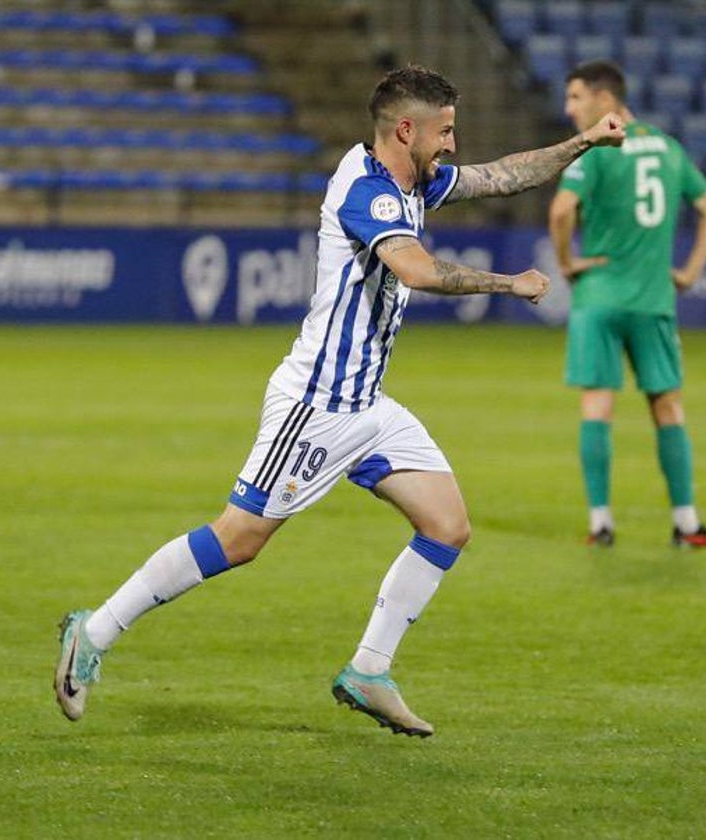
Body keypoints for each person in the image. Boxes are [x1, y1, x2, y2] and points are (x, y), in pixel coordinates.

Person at [54, 64, 625, 737]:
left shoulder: (416, 180)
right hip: (318, 403)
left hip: (368, 407)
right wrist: (511, 284)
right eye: (443, 130)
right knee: (238, 540)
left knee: (447, 526)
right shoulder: (366, 189)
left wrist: (584, 141)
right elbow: (414, 269)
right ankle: (95, 630)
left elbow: (501, 175)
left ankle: (368, 671)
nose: (452, 142)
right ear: (404, 129)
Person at [547, 60, 706, 550]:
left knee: (597, 406)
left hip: (599, 297)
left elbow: (562, 210)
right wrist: (691, 272)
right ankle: (688, 523)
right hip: (653, 298)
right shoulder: (669, 148)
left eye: (576, 97)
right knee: (668, 407)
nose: (569, 108)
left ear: (605, 100)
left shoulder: (596, 150)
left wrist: (568, 263)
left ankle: (601, 524)